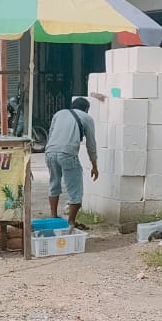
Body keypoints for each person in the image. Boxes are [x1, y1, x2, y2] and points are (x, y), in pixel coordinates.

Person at [45, 95, 98, 228]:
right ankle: (71, 222)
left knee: (54, 184)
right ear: (86, 109)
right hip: (67, 154)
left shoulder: (59, 114)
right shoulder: (87, 118)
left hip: (50, 152)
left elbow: (50, 134)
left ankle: (54, 217)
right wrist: (94, 165)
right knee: (76, 191)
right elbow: (91, 144)